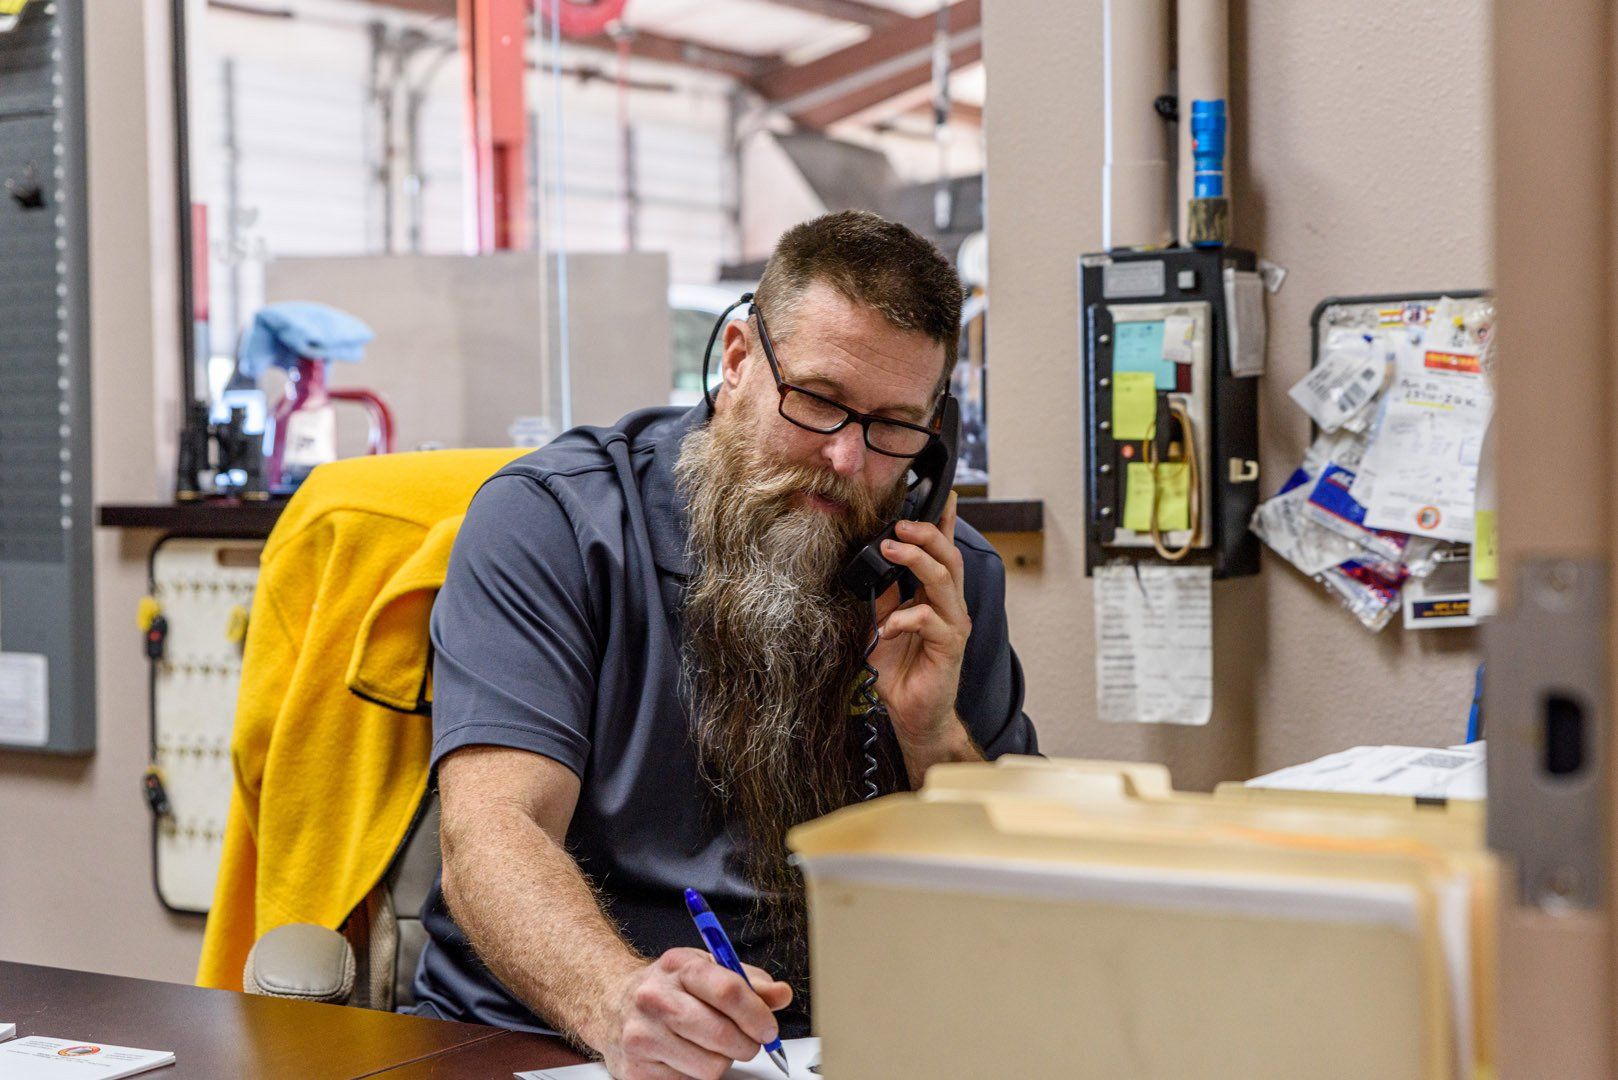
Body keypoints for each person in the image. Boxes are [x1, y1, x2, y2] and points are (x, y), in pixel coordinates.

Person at [414, 209, 1038, 1079]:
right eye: (819, 402)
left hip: (827, 1054)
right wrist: (619, 1000)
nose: (848, 460)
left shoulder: (938, 581)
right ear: (739, 360)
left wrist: (933, 736)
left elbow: (1026, 910)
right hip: (542, 1042)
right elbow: (492, 830)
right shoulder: (556, 523)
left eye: (895, 426)